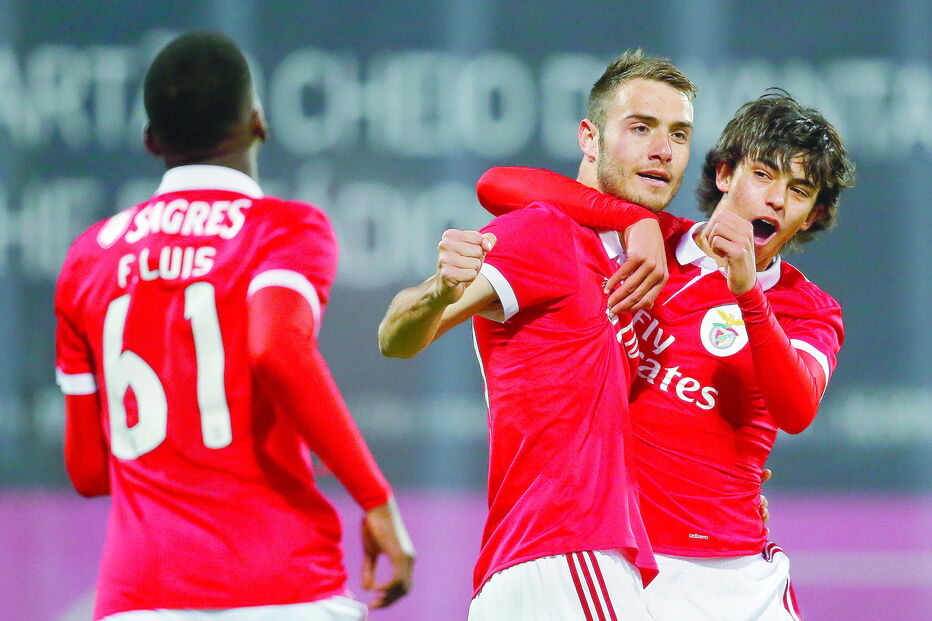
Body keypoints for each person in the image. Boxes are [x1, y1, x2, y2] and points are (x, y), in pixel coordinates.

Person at [54, 31, 414, 621]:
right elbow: (275, 345)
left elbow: (89, 472)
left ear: (151, 141)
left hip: (140, 596)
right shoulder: (283, 230)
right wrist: (375, 499)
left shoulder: (88, 257)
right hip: (283, 587)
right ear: (258, 121)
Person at [476, 90, 855, 620]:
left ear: (811, 216)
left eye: (798, 191)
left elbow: (796, 409)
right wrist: (630, 220)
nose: (775, 199)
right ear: (725, 174)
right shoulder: (651, 245)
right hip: (635, 563)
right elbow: (498, 185)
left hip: (741, 573)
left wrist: (747, 294)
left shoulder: (807, 309)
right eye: (763, 175)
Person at [379, 50, 698, 620]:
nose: (662, 150)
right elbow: (395, 338)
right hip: (570, 556)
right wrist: (438, 292)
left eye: (679, 134)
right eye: (641, 128)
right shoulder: (548, 233)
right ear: (590, 138)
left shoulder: (634, 257)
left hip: (546, 566)